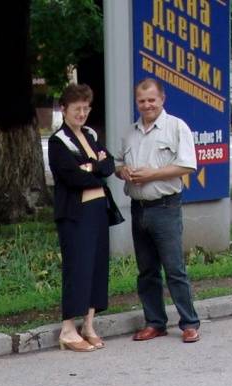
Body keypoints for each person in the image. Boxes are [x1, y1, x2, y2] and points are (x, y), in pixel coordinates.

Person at [116, 77, 201, 343]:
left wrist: (152, 174)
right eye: (141, 101)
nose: (147, 105)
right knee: (147, 271)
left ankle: (189, 323)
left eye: (151, 100)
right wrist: (124, 172)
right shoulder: (130, 132)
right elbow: (118, 164)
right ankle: (155, 322)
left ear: (162, 100)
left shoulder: (176, 127)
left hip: (165, 206)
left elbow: (187, 166)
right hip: (139, 208)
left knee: (174, 268)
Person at [47, 83, 116, 352]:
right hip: (75, 214)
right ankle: (68, 329)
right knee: (78, 266)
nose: (82, 114)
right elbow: (73, 177)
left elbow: (108, 166)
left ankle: (88, 324)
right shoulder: (58, 142)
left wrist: (93, 166)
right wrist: (93, 167)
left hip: (98, 210)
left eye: (86, 108)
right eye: (77, 109)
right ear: (63, 109)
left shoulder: (90, 133)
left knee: (97, 266)